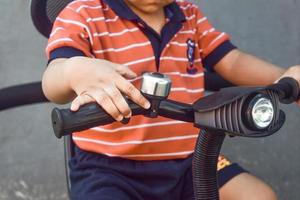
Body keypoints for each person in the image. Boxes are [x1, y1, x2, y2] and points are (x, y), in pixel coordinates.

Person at [42, 0, 300, 199]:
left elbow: (232, 61)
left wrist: (285, 77)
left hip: (191, 159)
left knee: (258, 195)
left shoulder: (188, 14)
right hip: (109, 167)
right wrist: (73, 71)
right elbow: (53, 80)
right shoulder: (83, 12)